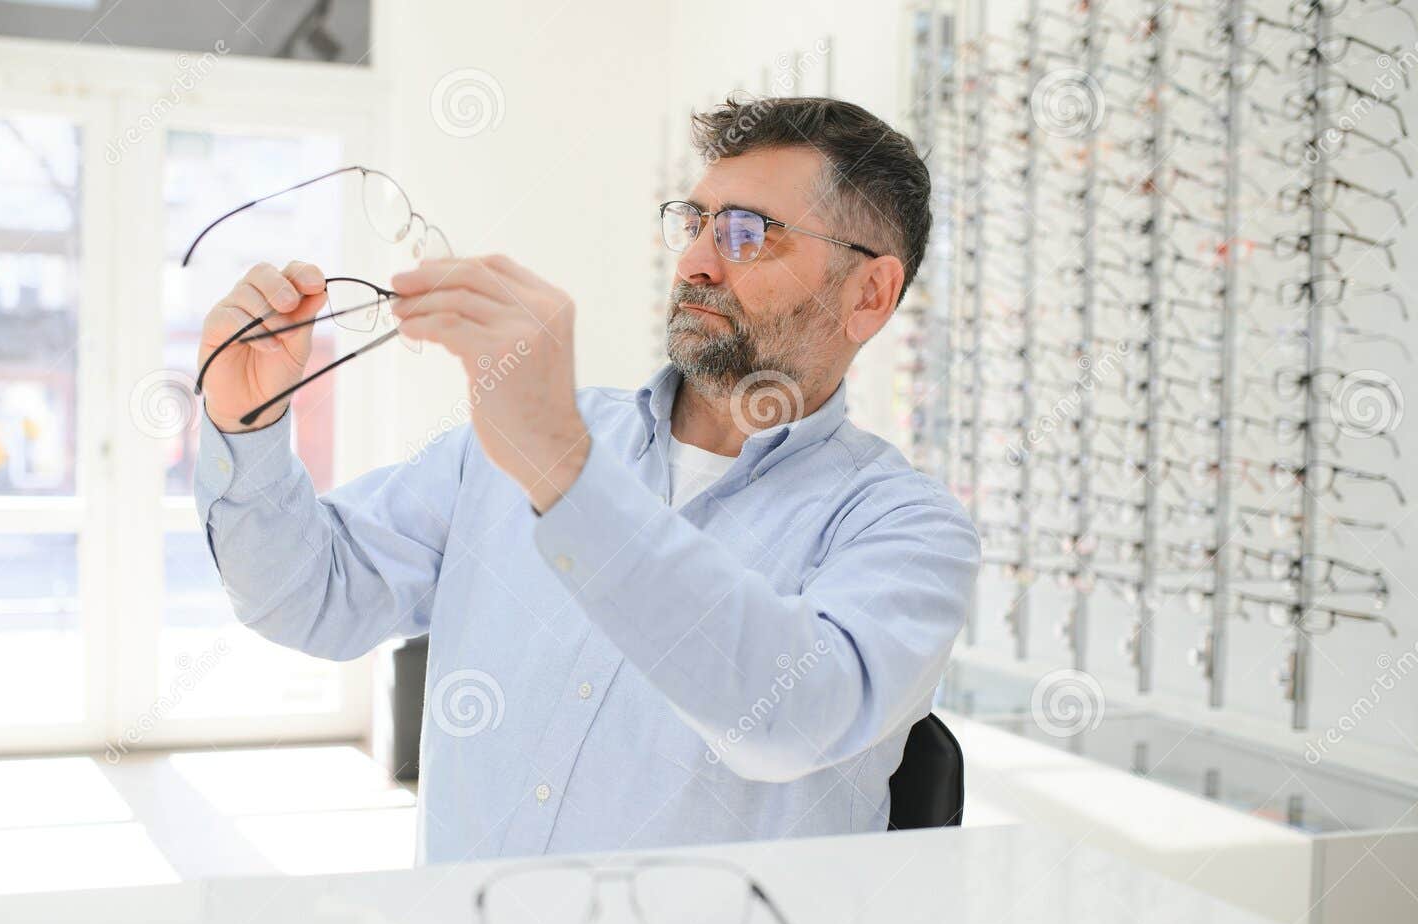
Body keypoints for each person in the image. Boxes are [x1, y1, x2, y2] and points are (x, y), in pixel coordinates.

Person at [193, 96, 980, 864]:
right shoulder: (514, 442)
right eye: (696, 221)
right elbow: (306, 596)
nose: (699, 261)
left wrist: (563, 470)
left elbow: (787, 720)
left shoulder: (908, 528)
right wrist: (244, 422)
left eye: (748, 233)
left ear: (867, 294)